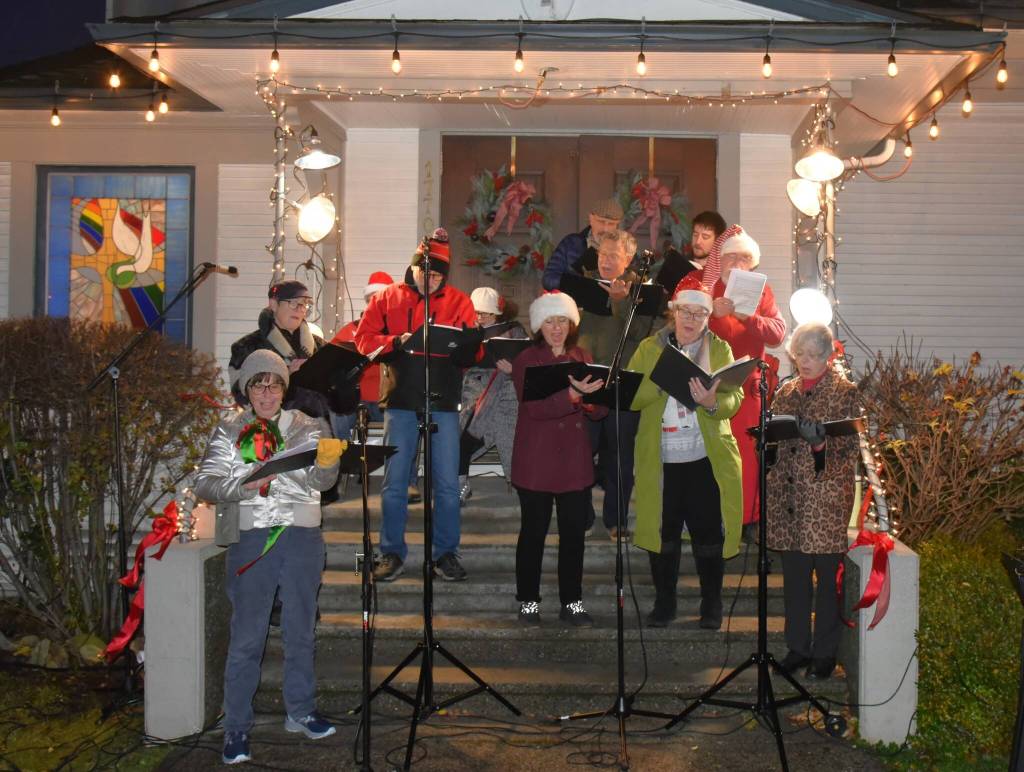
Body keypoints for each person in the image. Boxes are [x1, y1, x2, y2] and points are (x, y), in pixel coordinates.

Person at [194, 350, 342, 765]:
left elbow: (320, 481)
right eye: (258, 384)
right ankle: (237, 728)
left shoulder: (307, 426)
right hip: (252, 537)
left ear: (284, 389)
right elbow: (205, 483)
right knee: (247, 636)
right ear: (247, 389)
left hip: (302, 536)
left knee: (300, 630)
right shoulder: (229, 431)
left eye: (274, 384)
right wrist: (245, 484)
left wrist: (329, 466)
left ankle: (301, 710)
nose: (266, 392)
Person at [354, 228, 477, 583]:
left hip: (443, 399)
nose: (430, 281)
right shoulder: (387, 298)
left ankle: (445, 554)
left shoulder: (459, 301)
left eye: (437, 275)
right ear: (413, 268)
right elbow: (364, 341)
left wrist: (470, 345)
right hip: (401, 399)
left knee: (447, 484)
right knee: (394, 482)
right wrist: (396, 341)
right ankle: (391, 552)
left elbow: (474, 353)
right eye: (425, 273)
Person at [628, 275, 744, 629]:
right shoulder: (649, 348)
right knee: (662, 536)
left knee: (708, 535)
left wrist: (711, 403)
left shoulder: (720, 349)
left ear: (708, 318)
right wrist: (664, 382)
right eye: (685, 312)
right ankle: (665, 604)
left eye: (699, 314)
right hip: (661, 460)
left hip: (704, 459)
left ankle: (712, 604)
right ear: (673, 312)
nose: (691, 319)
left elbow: (734, 399)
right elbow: (630, 396)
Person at [766, 322, 860, 680]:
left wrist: (821, 444)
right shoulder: (785, 391)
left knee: (827, 584)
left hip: (825, 502)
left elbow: (851, 448)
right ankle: (797, 648)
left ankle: (824, 653)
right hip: (788, 501)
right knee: (795, 581)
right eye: (799, 354)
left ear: (828, 355)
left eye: (813, 355)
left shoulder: (845, 392)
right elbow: (776, 444)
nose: (805, 361)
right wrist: (767, 440)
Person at [510, 291, 607, 626]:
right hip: (537, 462)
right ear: (539, 325)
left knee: (573, 536)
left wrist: (594, 401)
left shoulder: (582, 355)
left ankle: (572, 602)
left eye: (562, 320)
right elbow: (534, 409)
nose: (556, 328)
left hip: (574, 463)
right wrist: (571, 396)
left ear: (571, 324)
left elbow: (600, 409)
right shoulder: (527, 360)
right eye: (550, 321)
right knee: (533, 534)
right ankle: (528, 601)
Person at [706, 229, 786, 533]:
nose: (737, 263)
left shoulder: (763, 292)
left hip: (748, 385)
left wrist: (747, 317)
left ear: (752, 265)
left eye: (744, 258)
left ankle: (748, 520)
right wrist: (712, 314)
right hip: (714, 385)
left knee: (747, 456)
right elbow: (688, 334)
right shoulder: (708, 290)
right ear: (721, 260)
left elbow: (777, 334)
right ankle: (716, 519)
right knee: (716, 452)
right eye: (731, 256)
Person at [576, 229, 649, 540]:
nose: (605, 260)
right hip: (586, 381)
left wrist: (621, 303)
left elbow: (643, 334)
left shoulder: (643, 290)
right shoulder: (584, 284)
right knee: (580, 453)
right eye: (602, 254)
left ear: (628, 259)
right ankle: (581, 517)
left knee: (620, 457)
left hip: (622, 381)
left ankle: (616, 521)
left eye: (613, 255)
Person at [458, 287, 527, 503]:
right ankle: (459, 482)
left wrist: (513, 369)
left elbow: (527, 359)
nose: (480, 317)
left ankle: (518, 482)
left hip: (507, 387)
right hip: (476, 390)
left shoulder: (514, 329)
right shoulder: (466, 330)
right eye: (476, 312)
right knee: (463, 434)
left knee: (509, 433)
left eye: (485, 313)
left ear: (497, 313)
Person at [228, 280, 328, 419]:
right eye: (293, 303)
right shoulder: (247, 347)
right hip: (272, 429)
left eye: (304, 304)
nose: (300, 309)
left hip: (318, 427)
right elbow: (241, 394)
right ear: (274, 304)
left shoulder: (321, 346)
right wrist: (286, 375)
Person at [541, 197, 624, 291]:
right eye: (601, 221)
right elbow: (548, 279)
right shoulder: (571, 243)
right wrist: (580, 283)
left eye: (611, 224)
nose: (605, 229)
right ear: (591, 219)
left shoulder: (624, 248)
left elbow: (635, 282)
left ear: (617, 225)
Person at [654, 210, 727, 297]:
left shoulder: (721, 277)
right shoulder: (678, 264)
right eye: (695, 235)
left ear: (717, 241)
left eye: (705, 237)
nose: (698, 242)